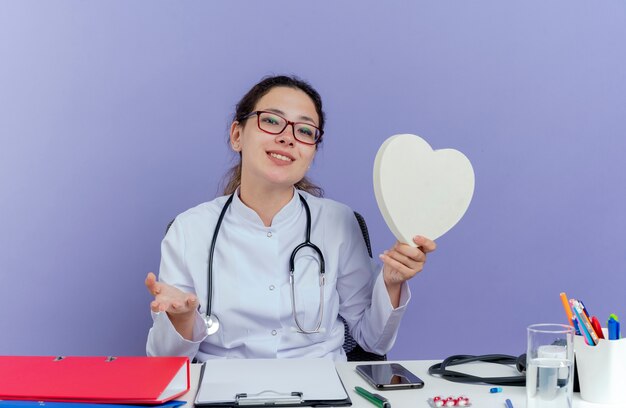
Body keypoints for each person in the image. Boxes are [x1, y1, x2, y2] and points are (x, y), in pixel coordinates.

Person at [145, 75, 436, 361]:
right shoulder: (189, 229)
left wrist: (392, 282)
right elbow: (165, 362)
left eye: (305, 131)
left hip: (323, 392)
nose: (287, 137)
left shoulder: (338, 221)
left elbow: (373, 341)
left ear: (311, 152)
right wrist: (181, 319)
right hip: (223, 391)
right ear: (237, 135)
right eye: (271, 121)